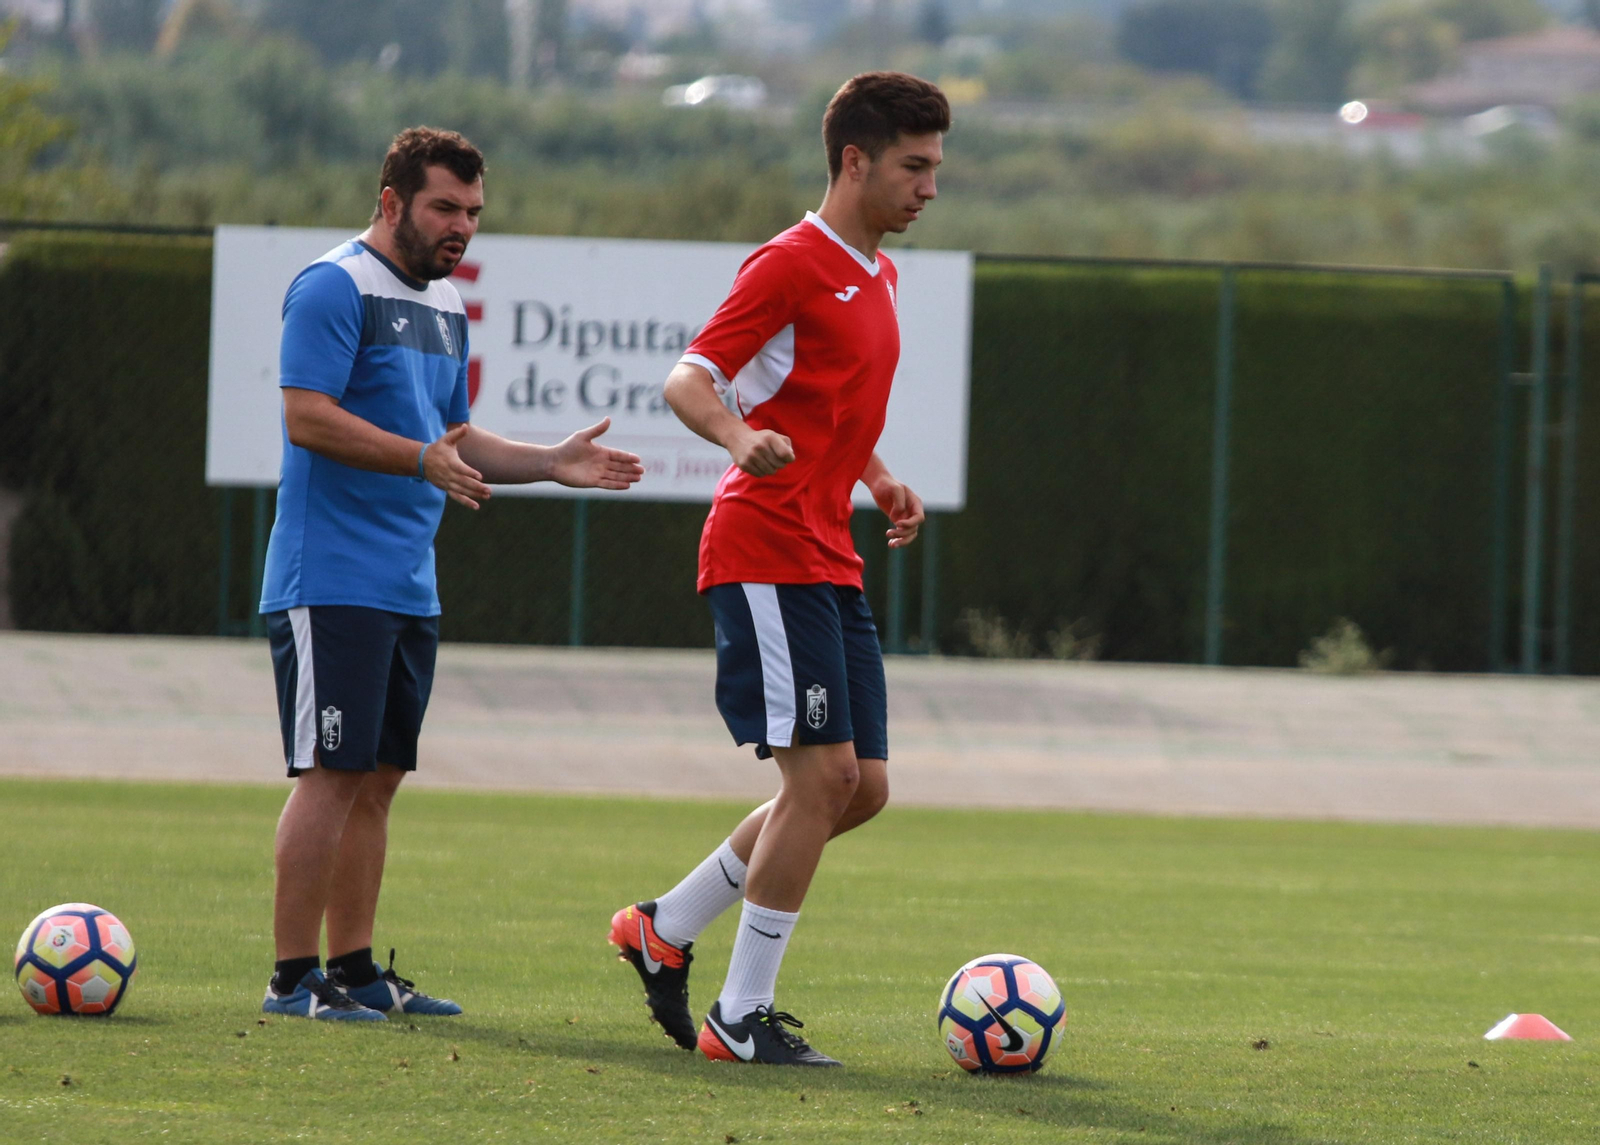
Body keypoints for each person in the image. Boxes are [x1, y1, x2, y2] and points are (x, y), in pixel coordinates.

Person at [260, 127, 644, 1021]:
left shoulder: (442, 306)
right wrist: (415, 461)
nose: (461, 226)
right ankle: (291, 977)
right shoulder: (332, 286)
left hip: (406, 583)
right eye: (444, 207)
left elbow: (455, 440)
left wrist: (549, 461)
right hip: (332, 578)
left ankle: (354, 970)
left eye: (473, 212)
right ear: (391, 201)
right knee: (329, 768)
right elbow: (307, 417)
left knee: (378, 776)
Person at [610, 72, 949, 1065]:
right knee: (822, 775)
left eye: (935, 168)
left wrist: (878, 478)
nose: (929, 187)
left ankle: (662, 923)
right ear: (855, 160)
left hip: (828, 553)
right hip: (762, 547)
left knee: (862, 786)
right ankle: (738, 1014)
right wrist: (734, 433)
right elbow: (688, 377)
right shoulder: (790, 263)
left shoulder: (878, 275)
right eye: (913, 167)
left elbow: (830, 409)